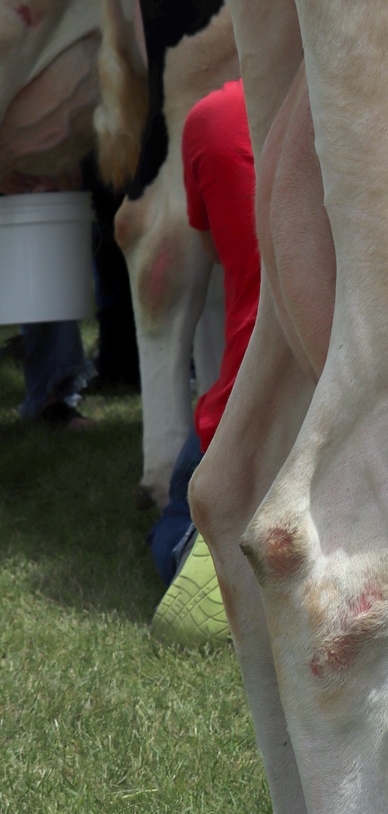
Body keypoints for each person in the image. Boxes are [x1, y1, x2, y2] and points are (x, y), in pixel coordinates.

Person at [149, 79, 258, 643]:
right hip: (353, 411)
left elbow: (218, 248)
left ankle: (209, 548)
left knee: (176, 521)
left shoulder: (213, 115)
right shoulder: (384, 106)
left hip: (245, 400)